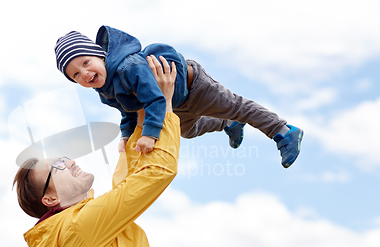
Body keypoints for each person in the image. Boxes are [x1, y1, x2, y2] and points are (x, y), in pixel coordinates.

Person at [14, 56, 179, 247]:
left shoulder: (80, 224)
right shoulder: (79, 227)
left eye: (63, 158)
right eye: (57, 166)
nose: (69, 163)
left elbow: (124, 187)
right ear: (50, 200)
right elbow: (156, 174)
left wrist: (138, 126)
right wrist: (165, 106)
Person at [54, 26, 304, 168]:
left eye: (86, 63)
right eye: (75, 74)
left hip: (194, 87)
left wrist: (150, 135)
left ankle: (282, 130)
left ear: (100, 55)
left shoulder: (128, 67)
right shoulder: (105, 90)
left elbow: (154, 101)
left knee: (237, 107)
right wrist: (126, 135)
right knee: (187, 131)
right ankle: (227, 124)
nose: (85, 73)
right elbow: (128, 111)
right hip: (175, 104)